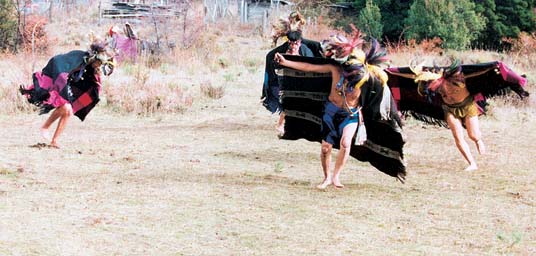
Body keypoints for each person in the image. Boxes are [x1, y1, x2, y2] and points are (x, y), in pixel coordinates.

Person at [274, 28, 379, 189]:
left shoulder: (366, 77)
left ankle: (336, 176)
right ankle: (327, 177)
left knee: (345, 143)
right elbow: (309, 67)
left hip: (351, 114)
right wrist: (285, 62)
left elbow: (382, 86)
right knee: (325, 148)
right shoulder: (335, 69)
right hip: (331, 111)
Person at [20, 39, 114, 148]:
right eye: (99, 63)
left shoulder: (89, 65)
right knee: (67, 107)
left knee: (68, 110)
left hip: (65, 81)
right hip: (54, 77)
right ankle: (45, 128)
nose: (99, 65)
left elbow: (91, 83)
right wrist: (62, 85)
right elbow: (58, 63)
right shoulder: (78, 57)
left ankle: (54, 141)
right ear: (94, 58)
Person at [415, 62, 485, 171]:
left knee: (473, 135)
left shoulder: (456, 78)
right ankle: (472, 163)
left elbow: (478, 72)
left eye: (430, 83)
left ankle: (478, 140)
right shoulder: (433, 87)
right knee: (458, 137)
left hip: (467, 106)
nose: (430, 87)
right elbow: (421, 91)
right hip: (450, 109)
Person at [262, 11, 317, 136]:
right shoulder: (280, 54)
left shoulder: (306, 52)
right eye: (291, 43)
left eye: (295, 43)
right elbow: (276, 68)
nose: (293, 46)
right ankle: (281, 125)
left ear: (299, 43)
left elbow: (310, 68)